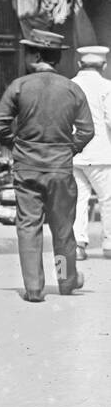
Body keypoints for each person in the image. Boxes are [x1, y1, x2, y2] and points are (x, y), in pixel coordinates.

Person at [0, 30, 95, 301]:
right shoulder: (73, 89)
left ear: (36, 55)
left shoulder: (19, 86)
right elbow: (86, 131)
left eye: (28, 51)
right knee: (62, 228)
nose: (25, 56)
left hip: (26, 168)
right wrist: (69, 149)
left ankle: (34, 287)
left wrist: (15, 145)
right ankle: (65, 280)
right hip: (60, 169)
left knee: (28, 227)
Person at [71, 45, 111, 261]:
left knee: (78, 199)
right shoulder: (107, 87)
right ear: (103, 65)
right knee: (108, 200)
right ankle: (109, 244)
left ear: (79, 64)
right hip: (102, 153)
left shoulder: (70, 85)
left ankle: (78, 244)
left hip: (75, 152)